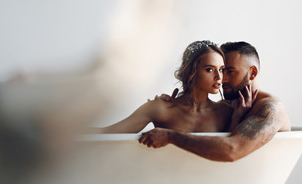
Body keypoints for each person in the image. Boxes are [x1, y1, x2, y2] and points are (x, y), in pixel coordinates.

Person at [139, 41, 291, 162]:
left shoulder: (272, 108)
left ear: (252, 73)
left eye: (229, 71)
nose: (222, 78)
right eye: (221, 70)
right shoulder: (229, 106)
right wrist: (171, 103)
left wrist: (170, 136)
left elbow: (232, 151)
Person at [91, 40, 233, 133]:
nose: (219, 77)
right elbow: (107, 134)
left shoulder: (226, 112)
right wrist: (71, 129)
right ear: (190, 71)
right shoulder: (160, 108)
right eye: (209, 69)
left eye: (221, 69)